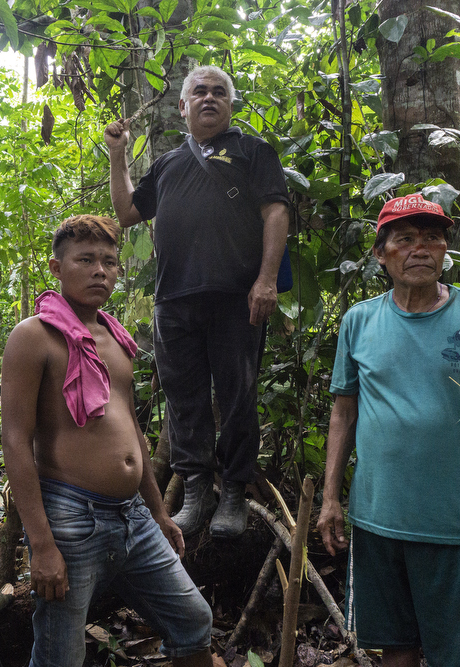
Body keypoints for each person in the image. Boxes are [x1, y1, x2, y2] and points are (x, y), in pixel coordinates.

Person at [315, 193, 460, 666]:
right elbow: (344, 411)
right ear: (381, 253)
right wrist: (331, 498)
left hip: (458, 522)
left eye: (433, 238)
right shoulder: (360, 320)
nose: (421, 249)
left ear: (446, 251)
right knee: (395, 646)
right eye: (406, 239)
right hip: (378, 518)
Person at [1, 215, 217, 667]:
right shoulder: (33, 336)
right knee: (61, 654)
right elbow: (16, 441)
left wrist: (158, 510)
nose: (100, 270)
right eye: (86, 260)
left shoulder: (115, 338)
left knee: (194, 621)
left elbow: (131, 429)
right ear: (57, 268)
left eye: (109, 261)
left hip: (133, 515)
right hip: (71, 515)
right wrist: (41, 544)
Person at [105, 64, 290, 538]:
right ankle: (194, 491)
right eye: (200, 92)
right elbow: (127, 212)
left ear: (231, 105)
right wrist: (118, 154)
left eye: (220, 93)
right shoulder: (168, 163)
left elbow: (275, 212)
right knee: (185, 398)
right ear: (183, 106)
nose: (210, 98)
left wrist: (266, 279)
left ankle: (233, 492)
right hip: (174, 298)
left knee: (237, 395)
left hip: (236, 297)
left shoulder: (253, 151)